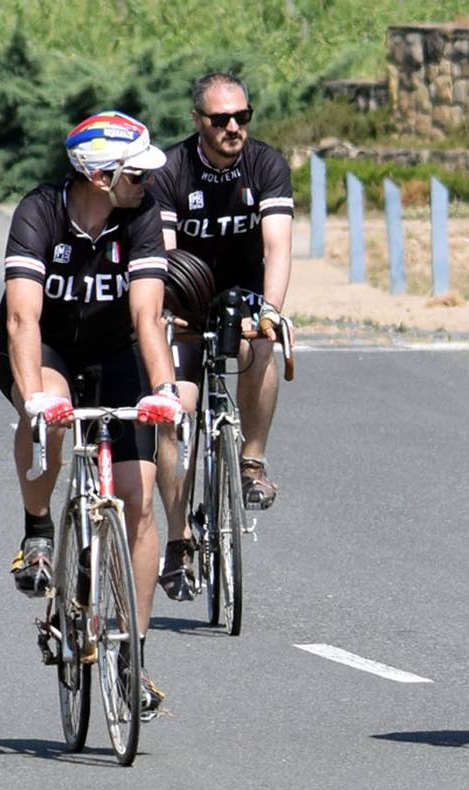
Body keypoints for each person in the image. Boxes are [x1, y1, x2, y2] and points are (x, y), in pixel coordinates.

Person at [0, 111, 179, 717]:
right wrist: (34, 398)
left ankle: (133, 656)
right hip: (42, 348)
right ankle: (39, 528)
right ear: (99, 176)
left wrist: (165, 388)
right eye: (136, 173)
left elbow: (149, 315)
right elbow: (23, 319)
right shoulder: (40, 213)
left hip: (113, 350)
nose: (149, 182)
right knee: (52, 410)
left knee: (139, 498)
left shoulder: (141, 214)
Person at [148, 71, 293, 601]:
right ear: (198, 122)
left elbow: (277, 247)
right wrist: (168, 313)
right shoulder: (171, 169)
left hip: (243, 299)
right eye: (220, 119)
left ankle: (251, 462)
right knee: (176, 415)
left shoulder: (266, 164)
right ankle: (179, 538)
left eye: (242, 117)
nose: (233, 127)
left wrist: (271, 312)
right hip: (185, 302)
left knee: (262, 345)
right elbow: (161, 256)